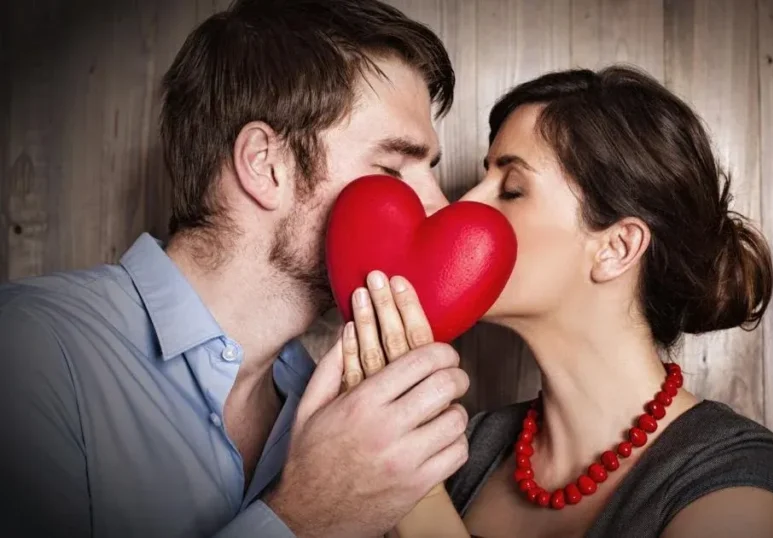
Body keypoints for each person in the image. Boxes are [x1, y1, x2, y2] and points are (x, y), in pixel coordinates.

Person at [0, 1, 472, 537]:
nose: (439, 207)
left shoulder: (340, 408)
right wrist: (308, 517)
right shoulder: (26, 352)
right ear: (264, 165)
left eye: (428, 170)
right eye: (391, 167)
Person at [342, 66, 773, 538]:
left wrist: (411, 490)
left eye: (511, 190)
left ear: (617, 248)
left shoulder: (735, 482)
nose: (458, 208)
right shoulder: (460, 447)